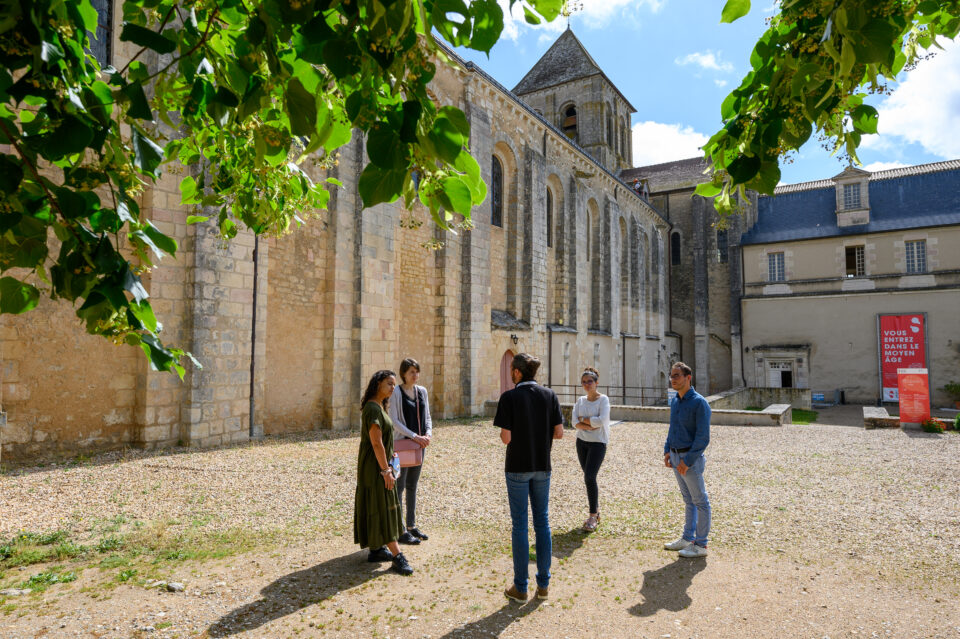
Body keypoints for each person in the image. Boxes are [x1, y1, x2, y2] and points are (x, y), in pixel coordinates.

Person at [494, 353, 564, 602]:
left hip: (517, 466)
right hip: (542, 465)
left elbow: (506, 438)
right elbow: (559, 433)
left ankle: (521, 587)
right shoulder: (549, 395)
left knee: (520, 525)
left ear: (517, 372)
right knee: (542, 522)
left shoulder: (509, 397)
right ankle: (543, 585)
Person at [353, 370, 414, 575]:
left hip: (380, 464)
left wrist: (391, 457)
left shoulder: (378, 406)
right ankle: (397, 556)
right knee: (383, 505)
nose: (392, 388)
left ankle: (376, 549)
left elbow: (383, 441)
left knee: (378, 502)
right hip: (375, 468)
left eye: (394, 384)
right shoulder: (372, 408)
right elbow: (376, 443)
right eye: (389, 383)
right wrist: (386, 470)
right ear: (377, 383)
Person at [662, 362, 711, 558]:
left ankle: (701, 544)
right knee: (688, 500)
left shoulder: (699, 403)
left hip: (689, 459)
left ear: (688, 378)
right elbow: (672, 427)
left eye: (677, 376)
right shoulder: (675, 401)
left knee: (700, 501)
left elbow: (703, 437)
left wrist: (687, 461)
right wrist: (667, 450)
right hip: (675, 456)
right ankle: (687, 538)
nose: (673, 379)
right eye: (671, 376)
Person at [388, 358, 433, 545]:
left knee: (413, 485)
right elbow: (394, 421)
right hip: (402, 446)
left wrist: (428, 434)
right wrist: (415, 436)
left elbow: (427, 416)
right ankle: (400, 530)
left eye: (417, 371)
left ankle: (411, 526)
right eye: (411, 372)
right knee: (399, 486)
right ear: (403, 374)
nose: (415, 375)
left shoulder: (422, 391)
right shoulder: (396, 393)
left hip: (419, 446)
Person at [572, 367, 611, 533]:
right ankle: (596, 511)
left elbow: (602, 421)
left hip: (598, 443)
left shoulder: (603, 400)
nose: (587, 384)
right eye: (584, 382)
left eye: (590, 381)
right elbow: (574, 422)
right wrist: (589, 424)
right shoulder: (580, 400)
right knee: (589, 478)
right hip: (581, 442)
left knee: (589, 476)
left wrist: (584, 420)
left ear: (596, 383)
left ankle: (593, 516)